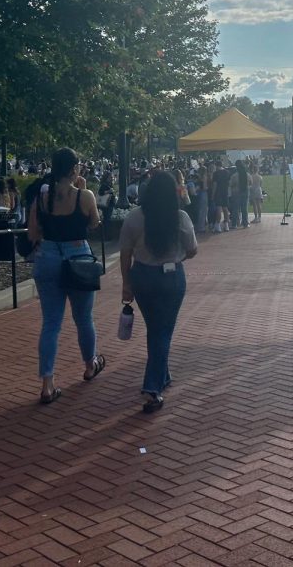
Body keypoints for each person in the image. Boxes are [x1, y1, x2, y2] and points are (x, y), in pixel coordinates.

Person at [27, 147, 104, 405]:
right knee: (83, 317)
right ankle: (90, 363)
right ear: (73, 169)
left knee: (51, 323)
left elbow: (32, 234)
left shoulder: (41, 196)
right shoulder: (84, 195)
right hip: (78, 256)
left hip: (47, 256)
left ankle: (47, 383)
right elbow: (94, 223)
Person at [119, 170, 198, 414]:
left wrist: (126, 283)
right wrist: (179, 257)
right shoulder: (180, 217)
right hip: (171, 276)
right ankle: (152, 388)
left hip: (142, 276)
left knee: (155, 328)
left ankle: (162, 375)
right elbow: (193, 249)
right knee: (163, 331)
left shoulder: (134, 217)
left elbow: (125, 253)